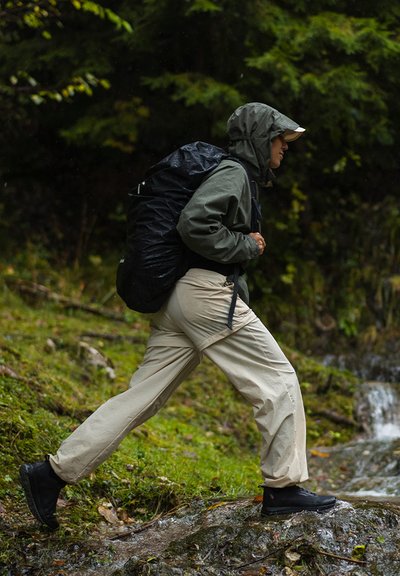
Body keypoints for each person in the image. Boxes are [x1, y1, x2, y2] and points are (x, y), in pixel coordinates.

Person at [19, 102, 336, 530]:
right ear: (261, 139)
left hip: (176, 299)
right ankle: (283, 489)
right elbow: (195, 224)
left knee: (139, 399)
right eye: (281, 140)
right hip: (204, 294)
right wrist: (248, 247)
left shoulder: (229, 172)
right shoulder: (234, 172)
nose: (285, 148)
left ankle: (49, 475)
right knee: (278, 379)